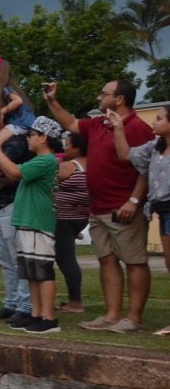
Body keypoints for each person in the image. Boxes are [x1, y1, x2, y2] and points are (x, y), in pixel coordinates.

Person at [44, 79, 151, 333]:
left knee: (135, 262)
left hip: (123, 207)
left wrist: (134, 201)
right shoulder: (98, 124)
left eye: (104, 94)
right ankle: (112, 315)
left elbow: (145, 168)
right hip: (98, 207)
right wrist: (52, 100)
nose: (98, 98)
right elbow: (70, 123)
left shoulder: (137, 127)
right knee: (107, 260)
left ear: (119, 99)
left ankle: (134, 318)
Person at [0, 116, 64, 333]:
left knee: (42, 270)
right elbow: (9, 170)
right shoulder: (38, 161)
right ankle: (35, 314)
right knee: (31, 271)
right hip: (28, 220)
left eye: (32, 134)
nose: (28, 138)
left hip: (38, 221)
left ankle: (48, 318)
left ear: (44, 138)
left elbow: (16, 172)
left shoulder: (46, 160)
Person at [111, 105, 170, 336]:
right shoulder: (155, 148)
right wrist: (118, 128)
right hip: (162, 209)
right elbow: (125, 154)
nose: (153, 123)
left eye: (158, 118)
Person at [0, 101, 35, 325]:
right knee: (5, 261)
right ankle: (11, 302)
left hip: (11, 205)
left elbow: (3, 168)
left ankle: (25, 305)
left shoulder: (16, 142)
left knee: (17, 258)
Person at [54, 131, 89, 313]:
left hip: (64, 218)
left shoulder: (69, 166)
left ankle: (75, 302)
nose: (64, 148)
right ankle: (74, 299)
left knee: (66, 258)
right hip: (81, 217)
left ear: (77, 148)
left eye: (67, 145)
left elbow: (48, 181)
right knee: (66, 257)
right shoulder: (92, 165)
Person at [0, 56, 37, 146]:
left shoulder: (5, 88)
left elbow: (18, 101)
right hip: (25, 122)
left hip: (21, 123)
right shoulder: (10, 87)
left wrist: (2, 111)